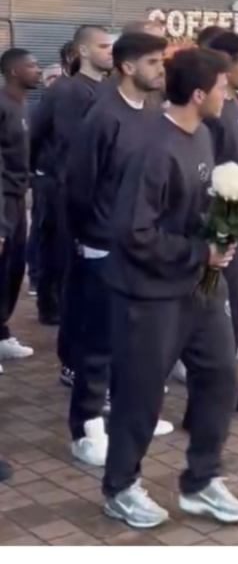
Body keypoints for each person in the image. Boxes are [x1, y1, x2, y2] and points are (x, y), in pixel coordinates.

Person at [101, 48, 238, 528]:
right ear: (200, 93)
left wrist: (225, 226)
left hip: (202, 290)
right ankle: (120, 487)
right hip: (150, 294)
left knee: (222, 378)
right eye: (225, 87)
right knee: (141, 395)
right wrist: (197, 252)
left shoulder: (203, 134)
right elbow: (133, 233)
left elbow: (196, 207)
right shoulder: (153, 148)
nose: (231, 94)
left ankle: (201, 481)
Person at [62, 32, 170, 467]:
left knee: (135, 339)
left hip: (141, 246)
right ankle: (85, 427)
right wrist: (89, 238)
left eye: (161, 61)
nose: (161, 69)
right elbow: (79, 185)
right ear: (127, 67)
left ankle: (127, 413)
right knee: (99, 340)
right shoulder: (102, 116)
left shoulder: (151, 113)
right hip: (102, 245)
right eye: (152, 62)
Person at [186, 30, 238, 414]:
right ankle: (213, 394)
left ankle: (227, 386)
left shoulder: (235, 108)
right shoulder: (214, 115)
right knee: (221, 311)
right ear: (227, 64)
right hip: (224, 227)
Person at [44, 26, 113, 387]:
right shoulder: (71, 91)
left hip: (102, 205)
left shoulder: (106, 90)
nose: (110, 53)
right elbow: (75, 154)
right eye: (103, 47)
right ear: (83, 52)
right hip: (76, 204)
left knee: (95, 285)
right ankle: (71, 361)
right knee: (76, 282)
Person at [27, 41, 75, 313]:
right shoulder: (58, 93)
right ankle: (48, 301)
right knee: (51, 239)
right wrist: (39, 171)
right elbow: (36, 134)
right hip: (53, 180)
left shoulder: (95, 90)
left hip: (75, 182)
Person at [0, 49, 40, 365]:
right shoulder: (1, 105)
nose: (36, 70)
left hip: (17, 199)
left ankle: (1, 333)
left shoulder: (23, 105)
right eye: (31, 65)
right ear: (14, 71)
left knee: (13, 269)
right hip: (2, 201)